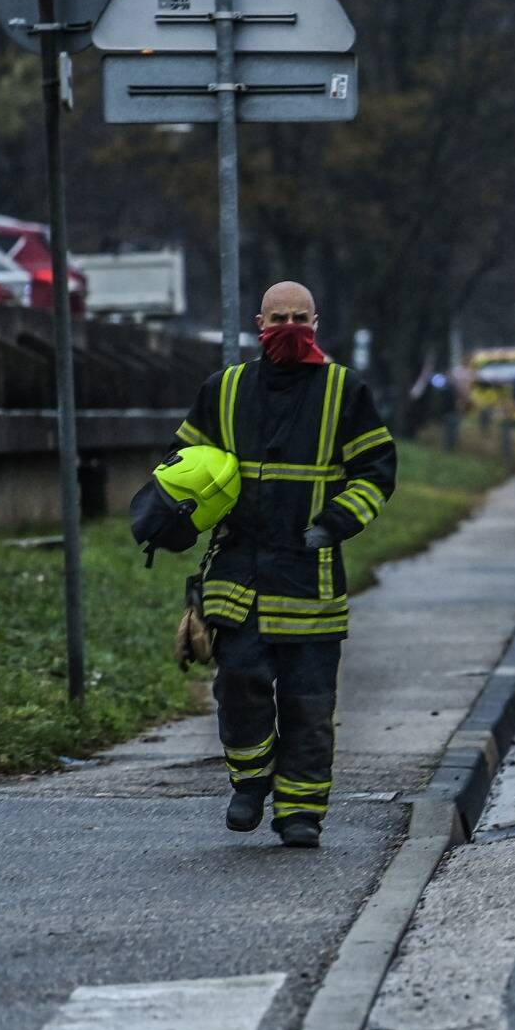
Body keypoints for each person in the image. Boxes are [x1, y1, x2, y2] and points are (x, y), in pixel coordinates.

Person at [170, 281, 397, 848]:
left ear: (316, 323)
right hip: (236, 572)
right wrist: (166, 513)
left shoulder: (345, 390)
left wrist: (337, 522)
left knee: (309, 703)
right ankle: (250, 780)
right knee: (239, 680)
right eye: (279, 318)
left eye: (299, 317)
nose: (289, 327)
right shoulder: (222, 390)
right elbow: (183, 463)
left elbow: (377, 471)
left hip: (310, 576)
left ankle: (299, 812)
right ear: (258, 323)